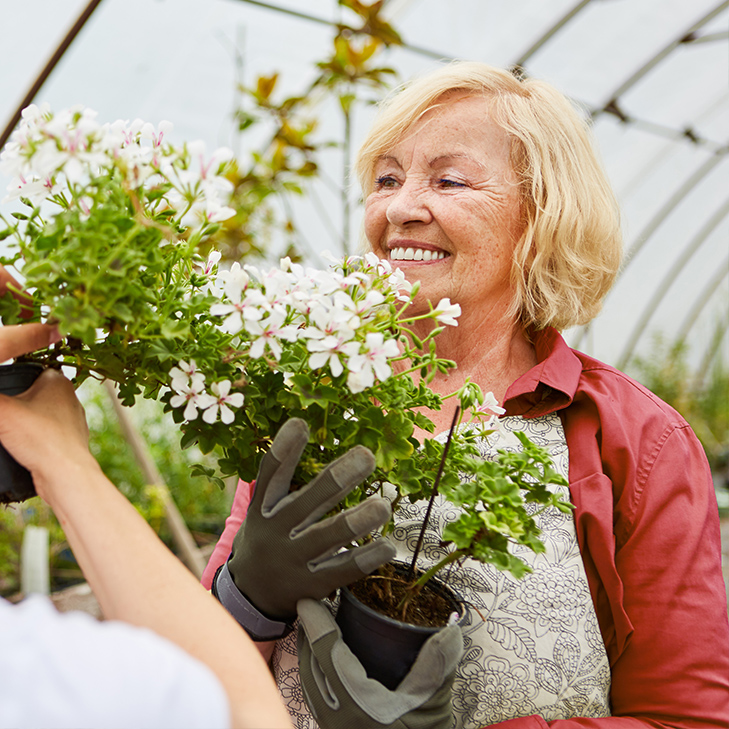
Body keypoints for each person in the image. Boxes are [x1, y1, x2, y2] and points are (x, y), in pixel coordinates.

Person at [204, 62, 729, 728]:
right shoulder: (317, 399)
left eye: (447, 180)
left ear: (539, 216)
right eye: (386, 179)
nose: (399, 208)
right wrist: (244, 598)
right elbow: (195, 686)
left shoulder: (634, 441)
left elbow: (686, 716)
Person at [0, 265, 393, 728]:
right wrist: (62, 460)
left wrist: (61, 462)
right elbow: (240, 710)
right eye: (386, 184)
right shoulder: (48, 674)